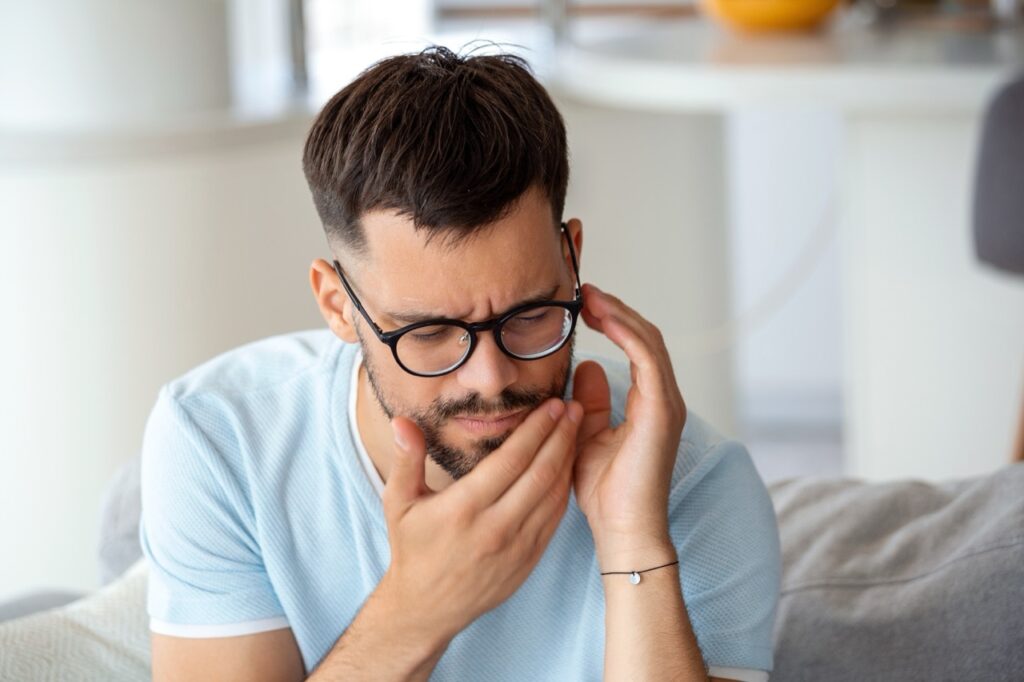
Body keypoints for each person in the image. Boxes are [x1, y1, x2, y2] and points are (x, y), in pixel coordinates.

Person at [141, 45, 781, 682]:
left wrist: (633, 542)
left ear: (571, 260)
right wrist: (417, 611)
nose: (491, 377)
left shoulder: (694, 486)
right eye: (431, 332)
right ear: (339, 306)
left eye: (529, 315)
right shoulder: (219, 441)